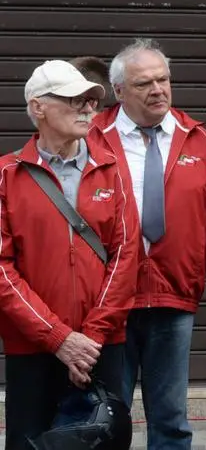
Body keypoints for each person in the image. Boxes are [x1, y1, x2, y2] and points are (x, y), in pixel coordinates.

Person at [92, 38, 206, 450]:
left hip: (174, 298)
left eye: (163, 79)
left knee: (171, 418)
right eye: (144, 83)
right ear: (119, 92)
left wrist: (187, 260)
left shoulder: (201, 139)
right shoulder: (91, 137)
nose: (158, 90)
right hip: (108, 301)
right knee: (105, 416)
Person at [0, 60, 139, 450]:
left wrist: (90, 338)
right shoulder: (7, 175)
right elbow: (2, 270)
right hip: (34, 347)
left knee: (102, 443)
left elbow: (126, 257)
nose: (87, 109)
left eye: (90, 101)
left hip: (100, 347)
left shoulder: (112, 168)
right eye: (73, 99)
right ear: (37, 107)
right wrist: (59, 338)